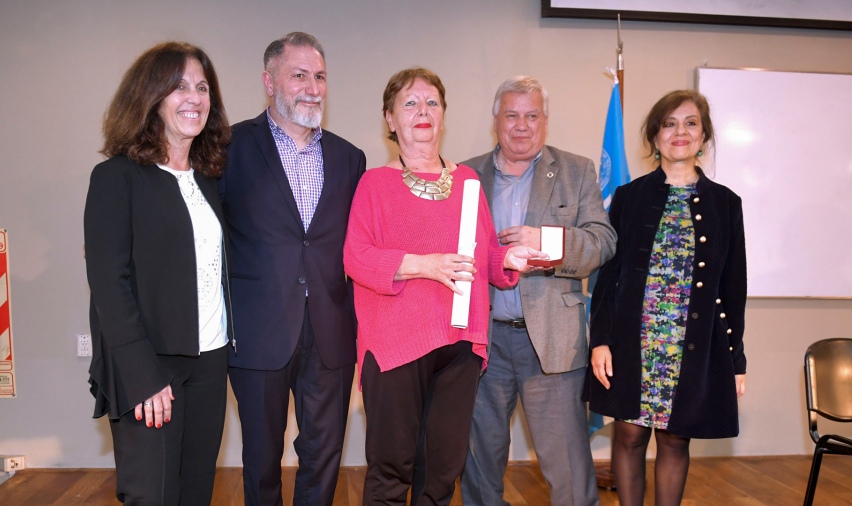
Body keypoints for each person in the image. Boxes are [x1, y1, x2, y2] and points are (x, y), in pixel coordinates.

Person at [343, 67, 546, 506]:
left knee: (442, 472)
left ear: (443, 117)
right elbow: (356, 258)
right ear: (390, 120)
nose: (423, 111)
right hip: (395, 345)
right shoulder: (374, 184)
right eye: (410, 103)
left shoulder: (468, 182)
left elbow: (485, 252)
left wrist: (506, 259)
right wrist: (424, 266)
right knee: (392, 468)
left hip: (459, 345)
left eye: (432, 102)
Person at [220, 32, 366, 506]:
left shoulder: (350, 158)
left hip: (330, 330)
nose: (312, 87)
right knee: (260, 458)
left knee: (323, 456)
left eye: (320, 76)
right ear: (269, 81)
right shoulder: (228, 147)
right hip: (258, 331)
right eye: (299, 75)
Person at [83, 41, 232, 505]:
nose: (195, 97)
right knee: (154, 496)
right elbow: (110, 285)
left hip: (210, 360)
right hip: (151, 366)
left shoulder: (209, 178)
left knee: (196, 494)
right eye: (179, 86)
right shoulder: (116, 178)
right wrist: (142, 375)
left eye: (203, 87)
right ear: (150, 97)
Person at [460, 76, 616, 506]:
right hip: (482, 343)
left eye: (532, 116)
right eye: (512, 115)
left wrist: (546, 244)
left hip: (552, 343)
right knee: (477, 462)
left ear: (545, 122)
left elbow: (603, 243)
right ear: (496, 121)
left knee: (567, 467)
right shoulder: (464, 175)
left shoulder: (577, 170)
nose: (522, 125)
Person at [586, 90, 747, 506]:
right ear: (655, 136)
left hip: (690, 345)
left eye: (691, 123)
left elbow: (733, 288)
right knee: (629, 434)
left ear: (704, 135)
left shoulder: (726, 204)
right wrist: (600, 340)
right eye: (669, 123)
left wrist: (736, 360)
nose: (680, 132)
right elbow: (609, 276)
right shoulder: (629, 196)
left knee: (676, 440)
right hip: (634, 340)